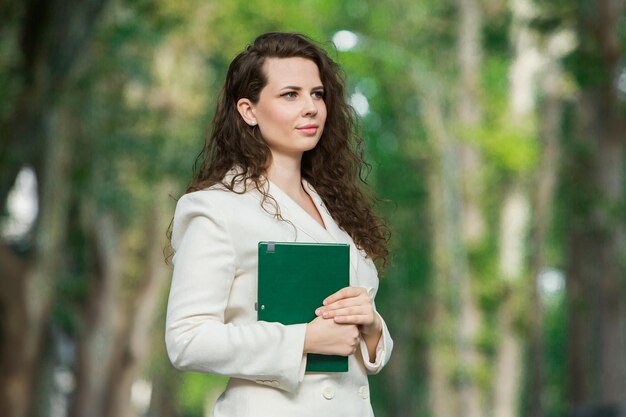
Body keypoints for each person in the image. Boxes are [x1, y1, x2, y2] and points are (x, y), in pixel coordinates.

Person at [165, 32, 393, 417]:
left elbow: (356, 338)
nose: (311, 108)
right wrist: (303, 339)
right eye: (291, 95)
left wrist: (372, 327)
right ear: (248, 110)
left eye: (317, 94)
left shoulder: (338, 210)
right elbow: (186, 339)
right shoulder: (217, 209)